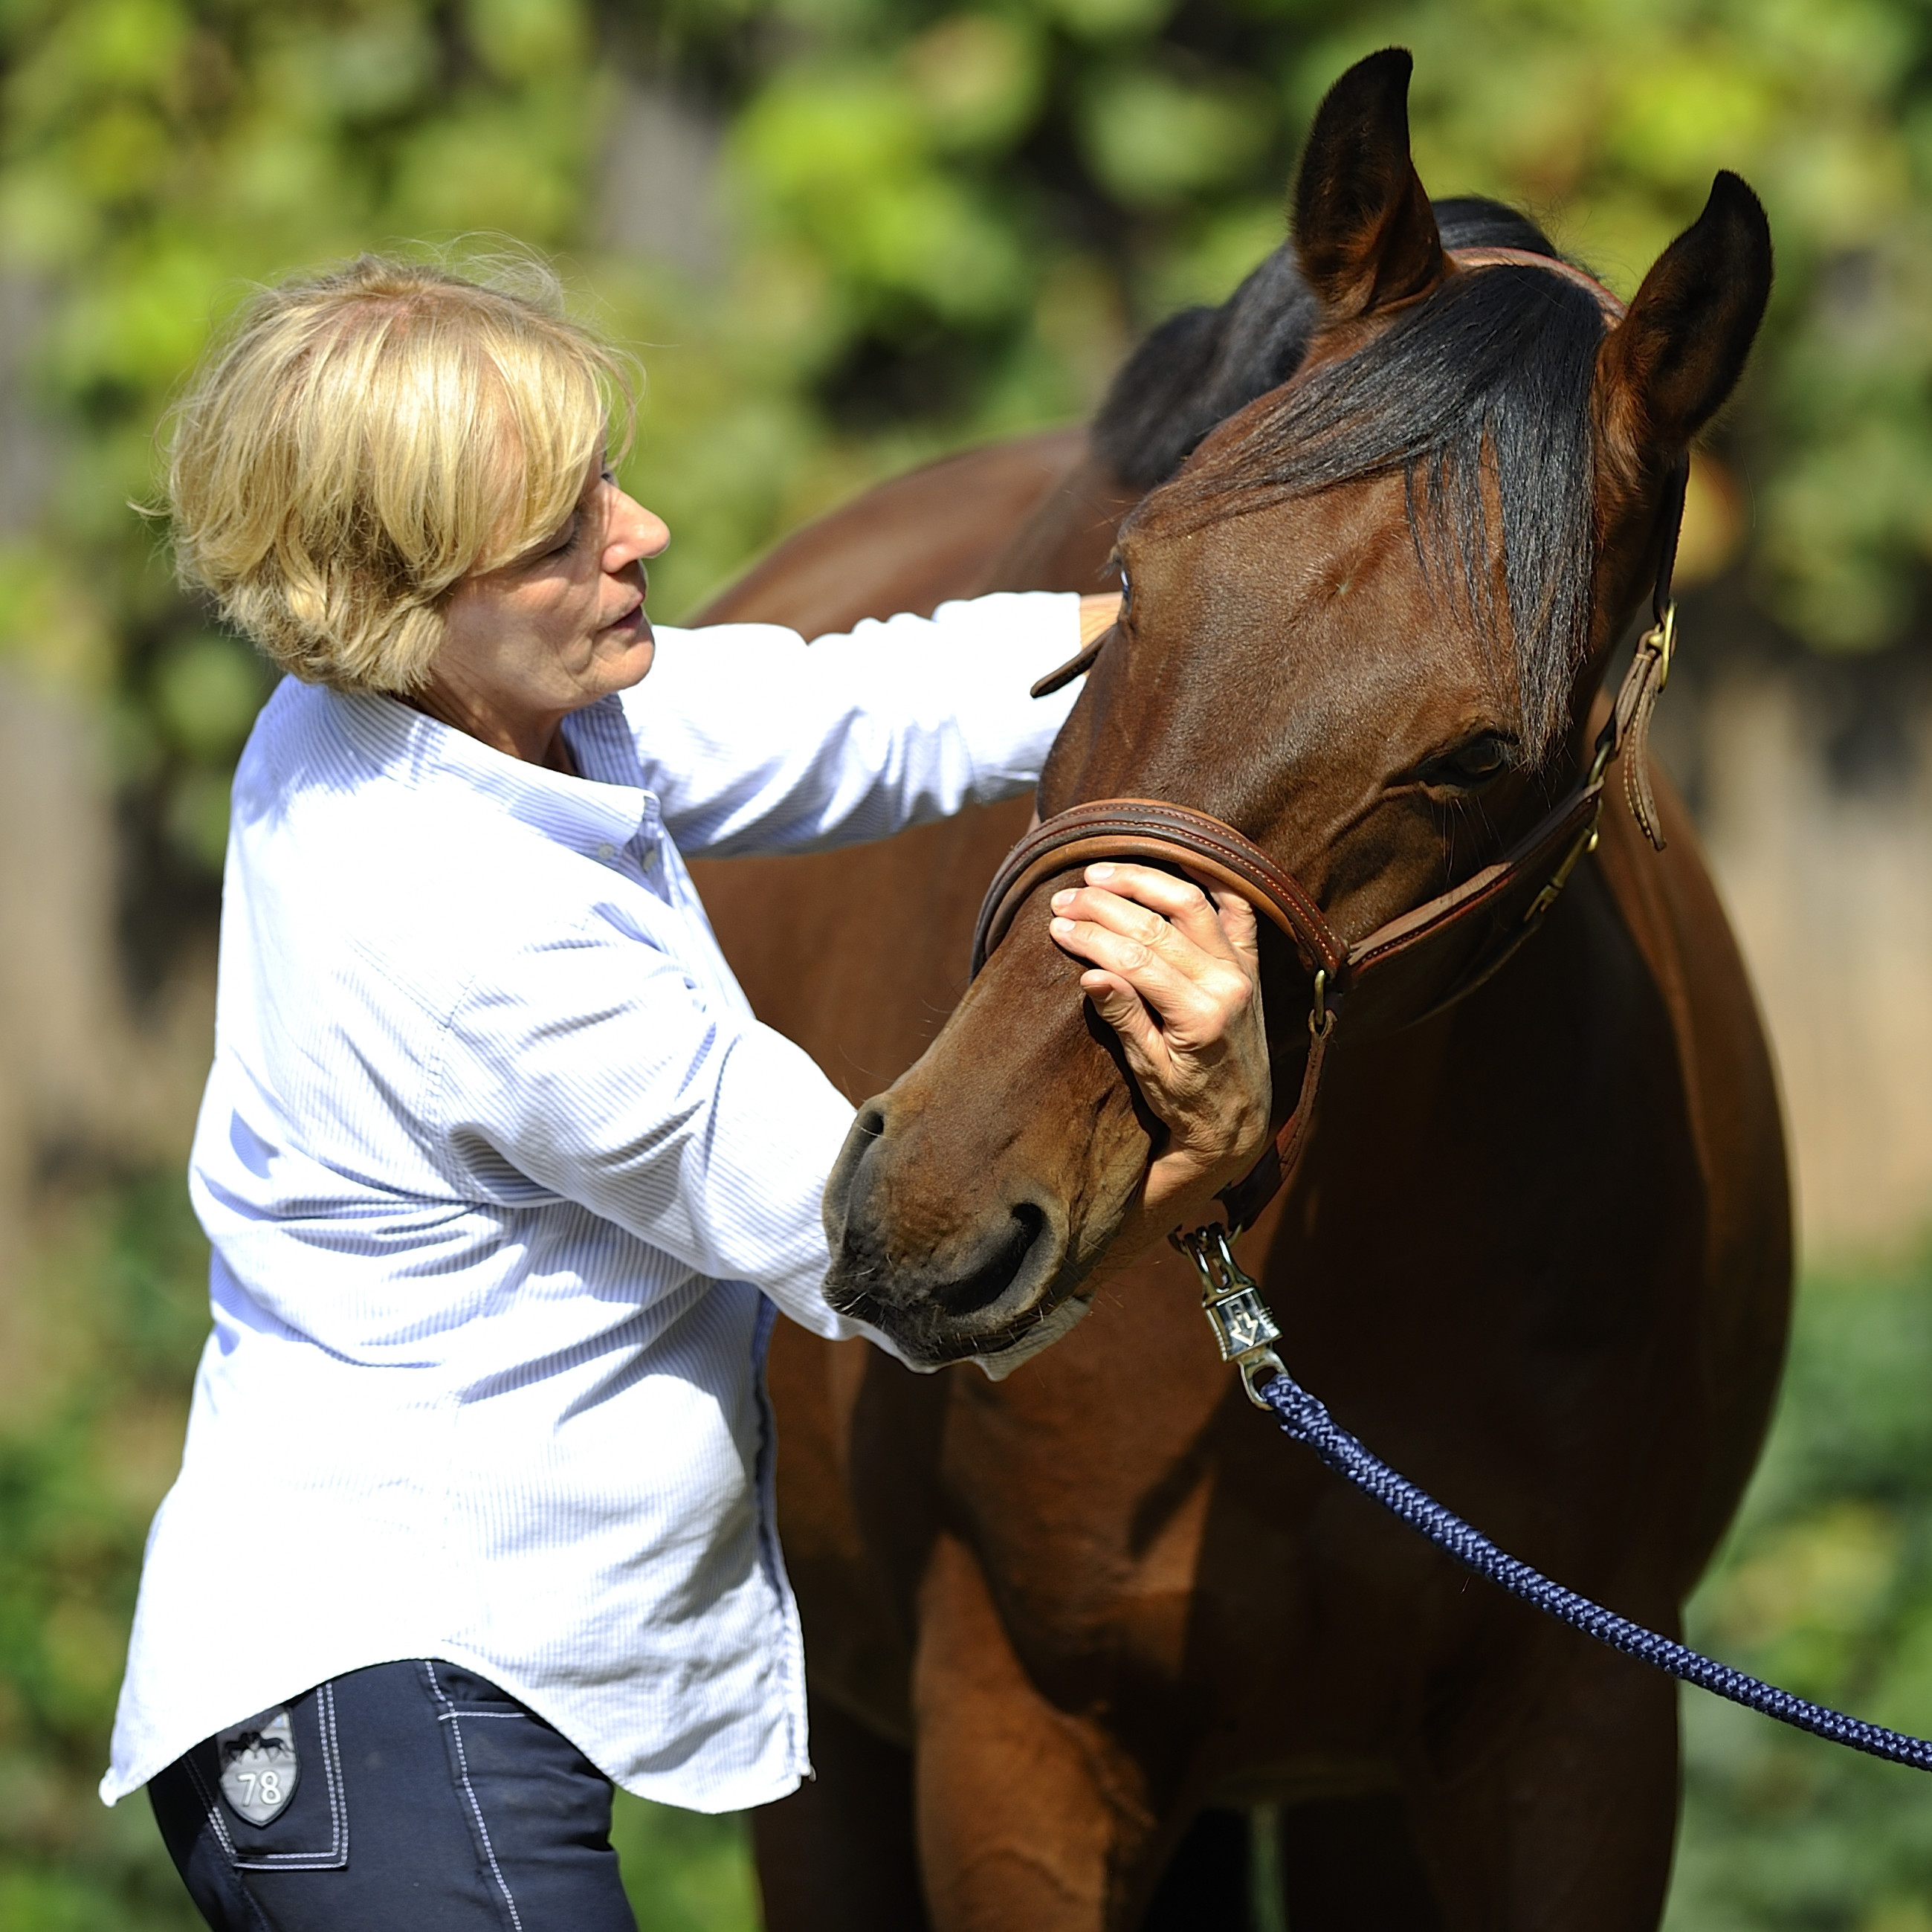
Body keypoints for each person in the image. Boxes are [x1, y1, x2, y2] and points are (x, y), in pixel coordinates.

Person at [101, 252, 1270, 1931]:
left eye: (600, 480)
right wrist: (1210, 1149)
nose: (637, 532)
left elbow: (856, 705)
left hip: (410, 1693)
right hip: (383, 1711)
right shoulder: (464, 921)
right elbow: (882, 1245)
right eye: (559, 533)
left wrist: (1200, 620)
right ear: (400, 597)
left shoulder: (453, 712)